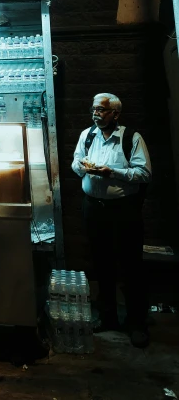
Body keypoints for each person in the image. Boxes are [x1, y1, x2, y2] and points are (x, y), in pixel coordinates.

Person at [71, 93, 152, 348]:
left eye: (102, 110)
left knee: (131, 265)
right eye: (94, 109)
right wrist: (83, 167)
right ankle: (108, 318)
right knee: (101, 262)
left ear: (115, 114)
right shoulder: (88, 135)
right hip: (94, 208)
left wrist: (112, 173)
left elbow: (144, 173)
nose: (96, 114)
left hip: (123, 210)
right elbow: (75, 162)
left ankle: (136, 323)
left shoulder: (131, 138)